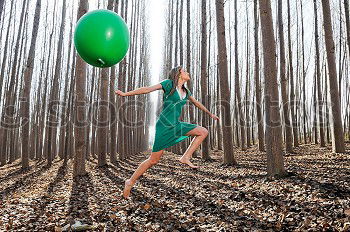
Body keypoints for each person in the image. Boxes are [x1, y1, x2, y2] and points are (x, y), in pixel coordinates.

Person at [115, 66, 220, 199]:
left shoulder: (186, 91)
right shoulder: (168, 84)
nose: (187, 72)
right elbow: (147, 89)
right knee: (153, 160)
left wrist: (210, 114)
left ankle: (185, 157)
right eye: (185, 71)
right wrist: (125, 94)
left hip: (176, 125)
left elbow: (197, 103)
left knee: (203, 131)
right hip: (164, 126)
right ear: (179, 74)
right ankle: (130, 182)